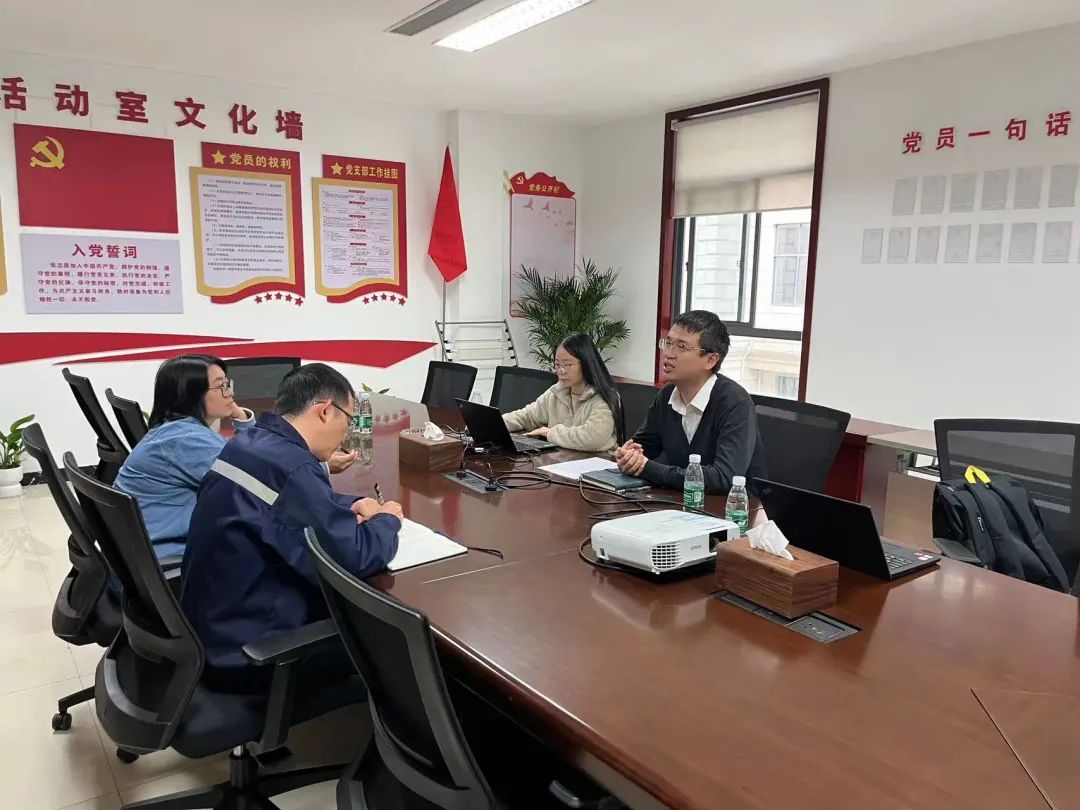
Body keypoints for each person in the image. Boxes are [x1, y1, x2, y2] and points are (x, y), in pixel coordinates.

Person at [180, 363, 403, 689]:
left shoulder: (253, 443)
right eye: (349, 421)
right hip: (251, 653)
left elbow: (285, 504)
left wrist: (350, 504)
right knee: (394, 641)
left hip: (212, 629)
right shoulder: (293, 467)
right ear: (325, 411)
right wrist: (387, 520)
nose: (346, 434)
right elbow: (355, 558)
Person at [116, 355, 358, 560]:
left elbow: (249, 456)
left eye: (228, 384)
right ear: (191, 394)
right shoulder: (185, 441)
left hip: (156, 553)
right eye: (221, 387)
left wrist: (240, 416)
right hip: (174, 563)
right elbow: (257, 475)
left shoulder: (177, 430)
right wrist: (323, 469)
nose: (230, 393)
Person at [615, 310, 767, 493]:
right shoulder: (667, 395)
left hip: (734, 505)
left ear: (710, 360)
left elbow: (724, 477)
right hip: (683, 500)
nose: (669, 353)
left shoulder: (735, 402)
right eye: (668, 343)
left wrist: (647, 468)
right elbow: (643, 447)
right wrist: (628, 456)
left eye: (681, 347)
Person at [502, 333, 624, 452]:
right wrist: (498, 424)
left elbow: (592, 437)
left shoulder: (604, 396)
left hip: (598, 462)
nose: (561, 370)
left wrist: (550, 433)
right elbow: (527, 416)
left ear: (586, 363)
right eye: (557, 364)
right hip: (563, 459)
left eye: (567, 364)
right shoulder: (556, 392)